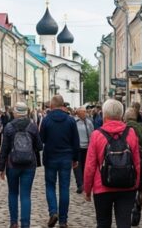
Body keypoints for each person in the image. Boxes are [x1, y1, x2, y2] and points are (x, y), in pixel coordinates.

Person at [83, 99, 141, 228]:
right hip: (127, 186)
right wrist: (136, 184)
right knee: (124, 223)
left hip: (102, 187)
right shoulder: (131, 133)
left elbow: (90, 166)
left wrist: (87, 189)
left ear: (104, 115)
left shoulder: (96, 135)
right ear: (121, 115)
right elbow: (136, 162)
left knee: (103, 223)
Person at [0, 103, 43, 228]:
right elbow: (39, 146)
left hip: (12, 165)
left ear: (16, 112)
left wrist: (0, 168)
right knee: (25, 195)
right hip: (29, 165)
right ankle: (25, 224)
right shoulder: (32, 126)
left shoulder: (9, 127)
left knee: (13, 193)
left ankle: (13, 223)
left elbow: (4, 149)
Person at [41, 95, 80, 228]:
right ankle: (63, 221)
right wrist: (75, 159)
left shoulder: (46, 120)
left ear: (52, 106)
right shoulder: (70, 120)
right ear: (63, 105)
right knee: (64, 188)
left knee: (50, 186)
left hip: (51, 157)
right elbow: (76, 142)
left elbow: (42, 140)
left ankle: (53, 212)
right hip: (66, 158)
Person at [124, 107, 142, 225]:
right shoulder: (141, 126)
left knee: (129, 187)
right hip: (141, 159)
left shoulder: (124, 128)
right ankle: (137, 213)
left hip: (128, 161)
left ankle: (128, 210)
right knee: (140, 188)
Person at [73, 108, 95, 195]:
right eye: (83, 112)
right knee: (77, 166)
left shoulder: (89, 122)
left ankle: (85, 183)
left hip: (87, 147)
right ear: (78, 113)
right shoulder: (75, 122)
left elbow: (92, 133)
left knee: (86, 166)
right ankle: (79, 184)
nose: (85, 113)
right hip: (78, 147)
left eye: (85, 112)